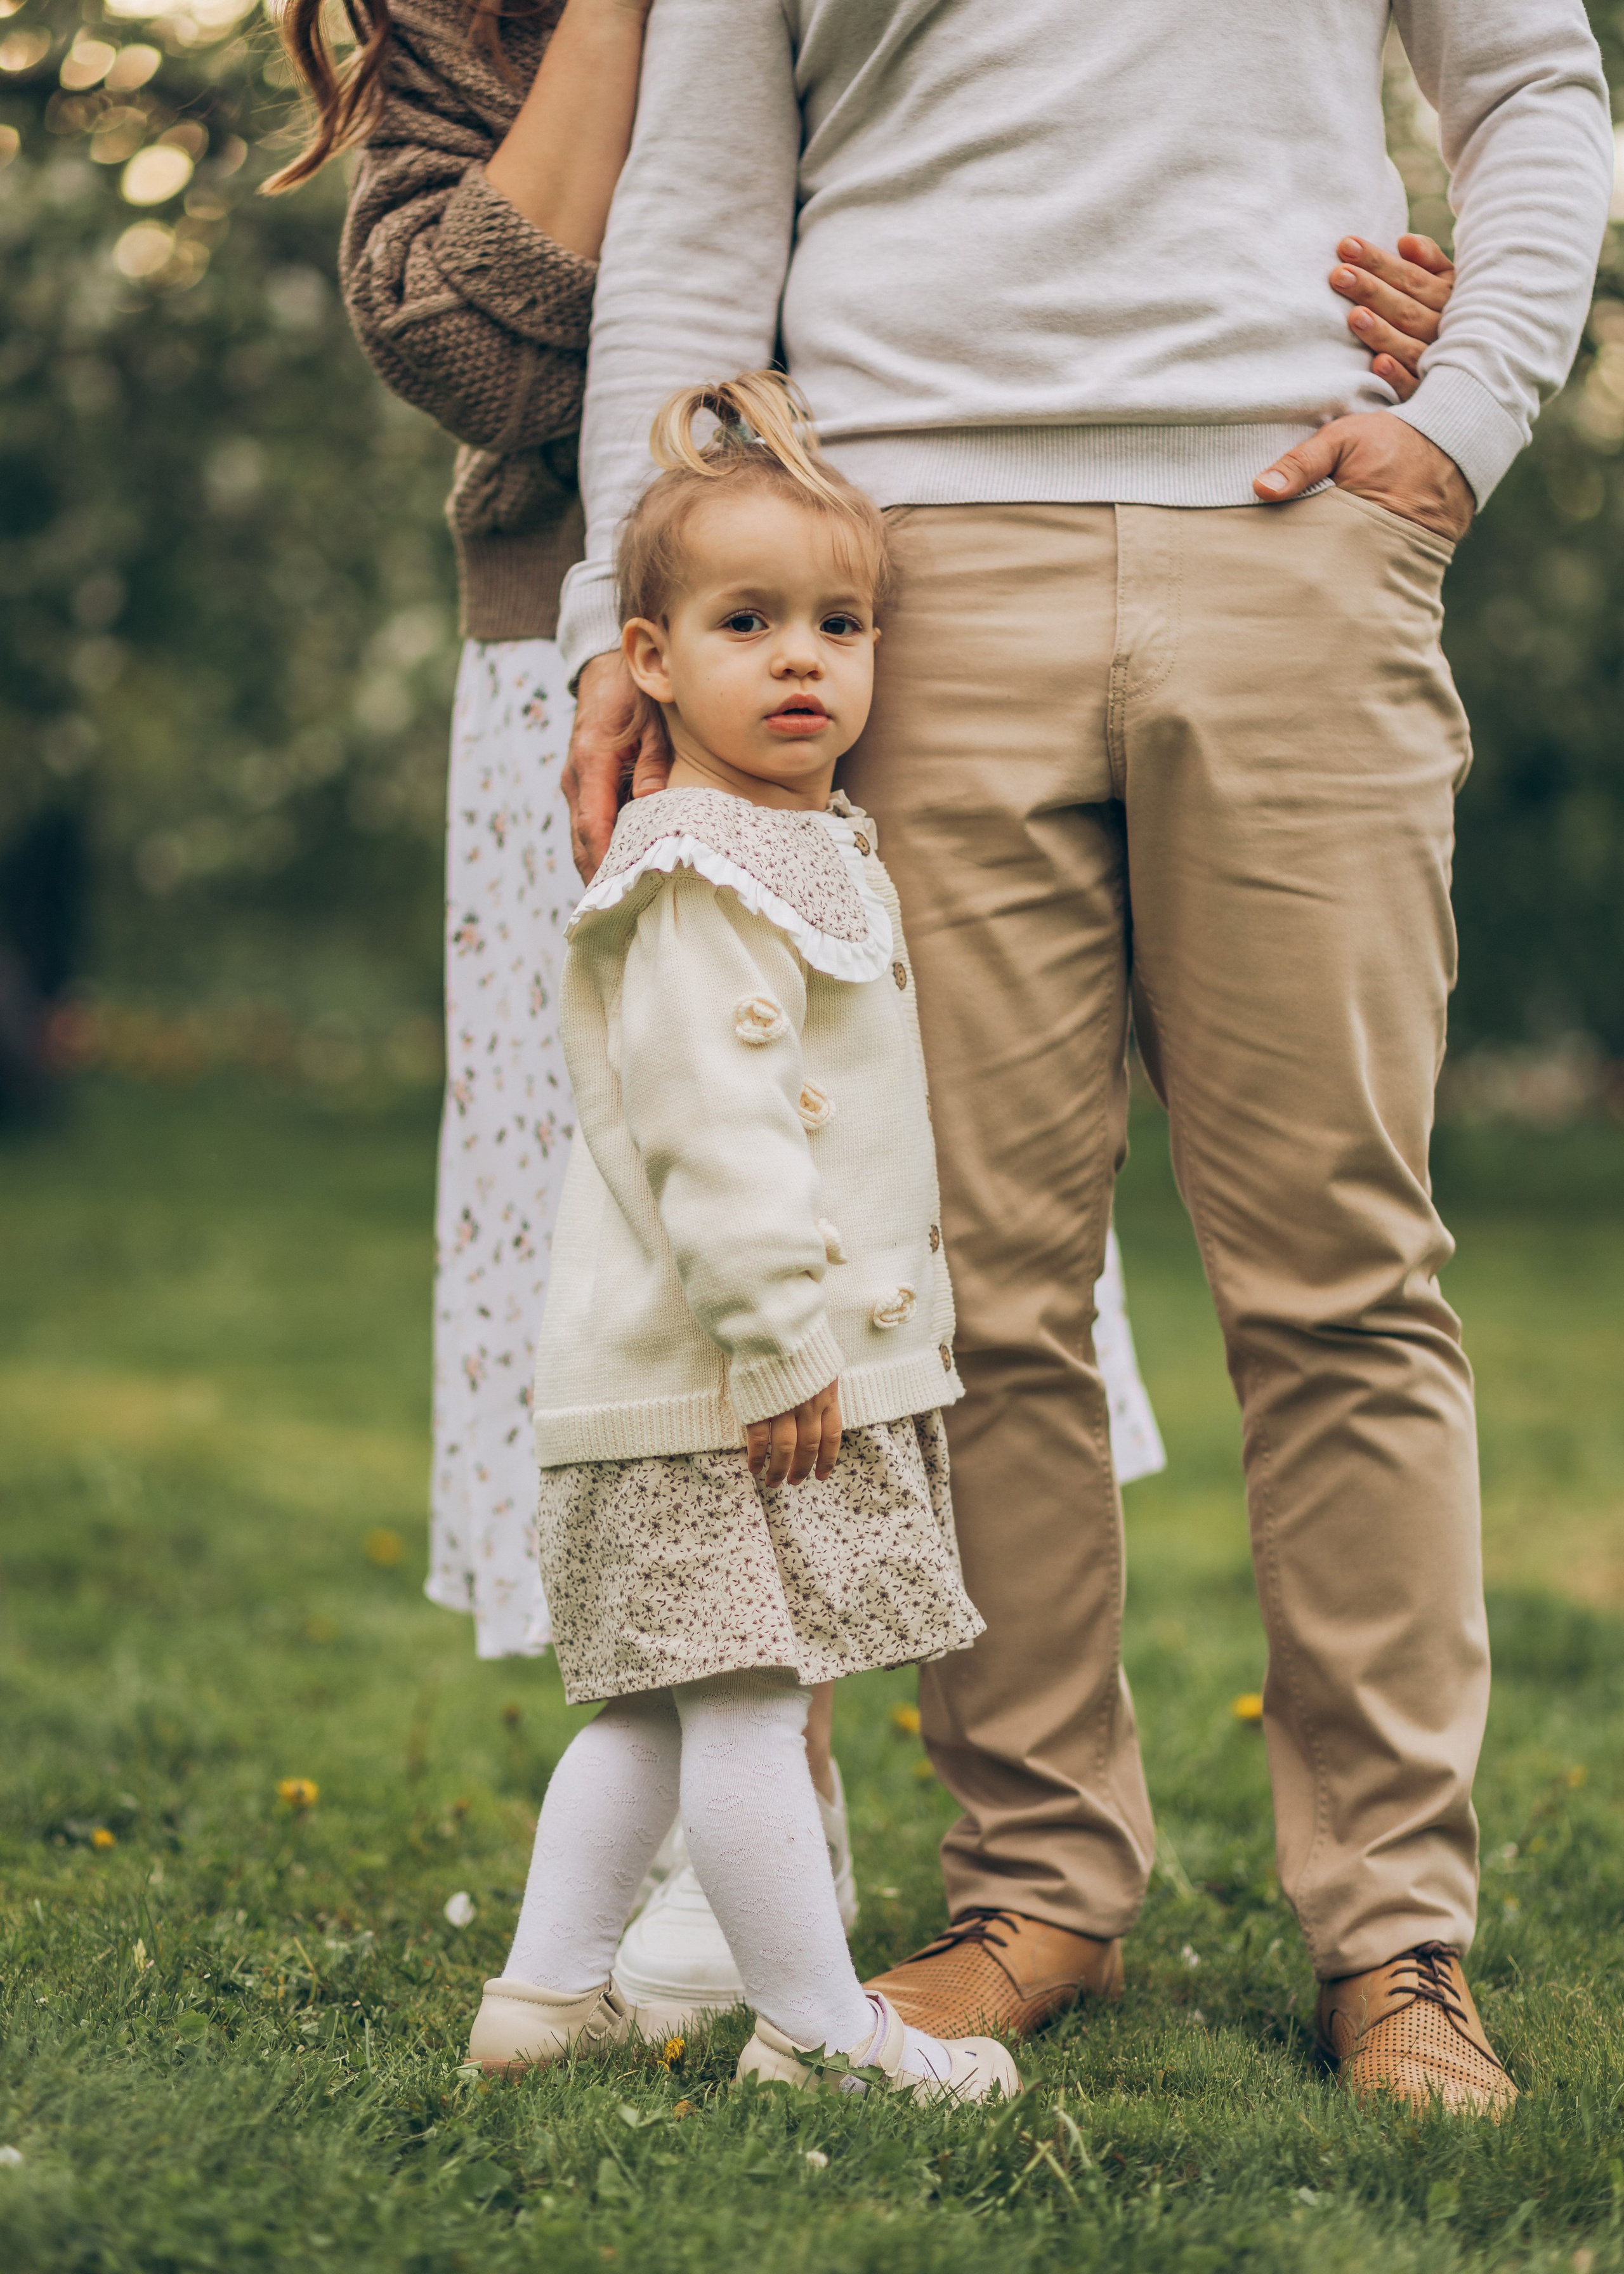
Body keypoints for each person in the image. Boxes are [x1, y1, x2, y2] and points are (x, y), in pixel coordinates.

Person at [556, 0, 1614, 2110]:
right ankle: (1034, 1890)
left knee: (1345, 1273)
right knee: (974, 1287)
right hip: (909, 576)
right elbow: (687, 227)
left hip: (1300, 539)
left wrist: (1470, 411)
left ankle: (1397, 1937)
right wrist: (624, 612)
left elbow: (1538, 89)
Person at [465, 373, 1016, 2103]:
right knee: (754, 1700)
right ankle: (821, 2029)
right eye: (747, 621)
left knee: (652, 1702)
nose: (803, 660)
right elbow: (721, 1134)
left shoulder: (799, 841)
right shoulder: (702, 871)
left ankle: (547, 2003)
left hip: (700, 1380)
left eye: (838, 624)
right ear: (648, 659)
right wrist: (791, 1343)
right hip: (733, 1378)